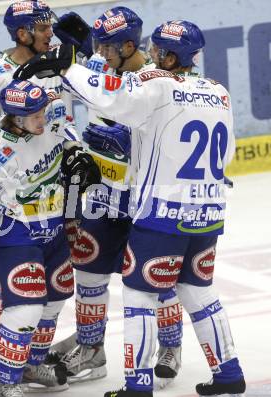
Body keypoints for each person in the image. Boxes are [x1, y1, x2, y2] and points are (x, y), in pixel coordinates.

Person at [14, 19, 246, 397]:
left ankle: (138, 385)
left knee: (139, 295)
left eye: (158, 50)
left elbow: (113, 98)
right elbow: (229, 151)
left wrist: (68, 66)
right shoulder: (218, 92)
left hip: (162, 212)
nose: (152, 55)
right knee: (198, 291)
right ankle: (229, 372)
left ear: (172, 56)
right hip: (207, 212)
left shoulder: (157, 83)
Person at [46, 7, 183, 389]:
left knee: (156, 277)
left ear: (128, 45)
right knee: (88, 271)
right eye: (98, 45)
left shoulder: (159, 81)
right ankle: (91, 349)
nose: (99, 53)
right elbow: (75, 80)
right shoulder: (99, 62)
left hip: (145, 196)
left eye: (107, 47)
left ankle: (170, 345)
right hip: (99, 195)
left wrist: (133, 140)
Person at [0, 79, 100, 397]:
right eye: (35, 115)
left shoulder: (47, 117)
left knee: (57, 297)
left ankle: (30, 364)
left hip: (54, 225)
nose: (43, 118)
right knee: (25, 309)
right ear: (16, 118)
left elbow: (66, 130)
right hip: (16, 235)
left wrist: (78, 157)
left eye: (43, 111)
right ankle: (8, 380)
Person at [0, 0, 84, 387]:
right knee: (11, 281)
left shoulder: (58, 65)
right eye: (41, 28)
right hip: (13, 191)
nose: (49, 33)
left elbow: (64, 120)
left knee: (54, 284)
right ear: (21, 34)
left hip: (55, 188)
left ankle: (30, 358)